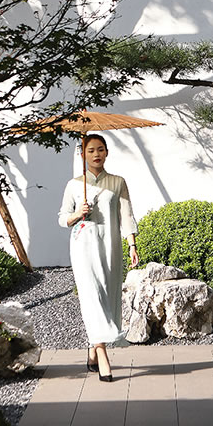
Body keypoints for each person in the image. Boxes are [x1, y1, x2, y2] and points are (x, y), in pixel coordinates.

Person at [57, 134, 139, 382]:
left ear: (107, 152)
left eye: (100, 149)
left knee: (108, 295)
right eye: (91, 150)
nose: (96, 154)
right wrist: (77, 214)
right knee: (92, 296)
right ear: (83, 154)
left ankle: (93, 350)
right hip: (83, 246)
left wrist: (132, 244)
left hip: (110, 246)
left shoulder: (117, 182)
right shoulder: (74, 185)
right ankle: (103, 355)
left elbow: (126, 215)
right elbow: (62, 218)